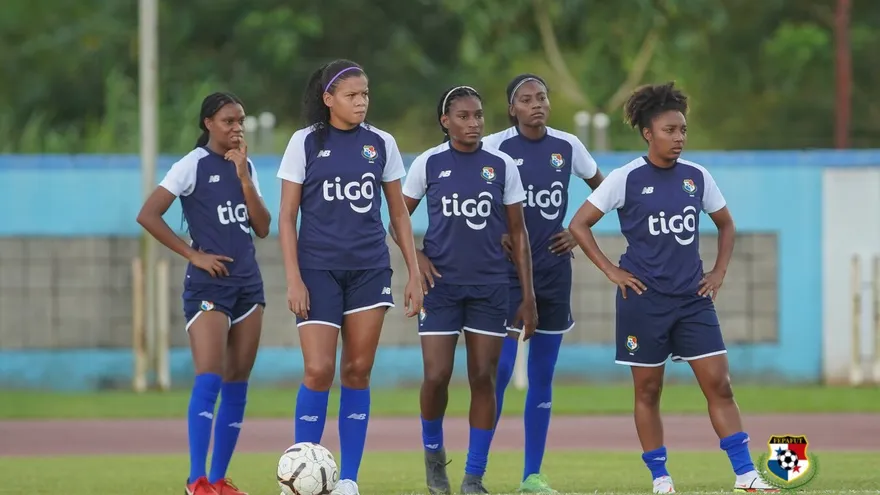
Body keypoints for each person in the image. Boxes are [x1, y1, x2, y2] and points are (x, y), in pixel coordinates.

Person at [567, 81, 777, 494]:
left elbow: (726, 224)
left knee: (719, 383)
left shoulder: (697, 177)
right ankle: (661, 478)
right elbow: (579, 224)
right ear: (648, 132)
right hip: (643, 302)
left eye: (682, 129)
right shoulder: (626, 178)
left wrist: (717, 273)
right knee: (648, 390)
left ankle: (745, 475)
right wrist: (612, 270)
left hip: (692, 301)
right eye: (669, 130)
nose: (679, 137)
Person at [276, 59, 423, 495]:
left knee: (357, 370)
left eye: (365, 95)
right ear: (329, 100)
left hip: (369, 269)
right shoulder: (303, 143)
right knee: (319, 370)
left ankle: (349, 480)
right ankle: (304, 471)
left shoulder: (381, 143)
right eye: (351, 95)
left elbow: (398, 212)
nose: (361, 102)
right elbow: (286, 217)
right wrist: (293, 279)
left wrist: (414, 272)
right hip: (317, 270)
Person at [396, 85, 538, 495]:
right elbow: (398, 219)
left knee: (483, 377)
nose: (473, 123)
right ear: (445, 122)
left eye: (478, 115)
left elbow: (518, 231)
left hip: (491, 286)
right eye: (463, 116)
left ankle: (474, 475)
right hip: (441, 287)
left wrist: (527, 297)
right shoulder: (429, 163)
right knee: (437, 375)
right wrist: (416, 260)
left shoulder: (502, 165)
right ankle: (434, 457)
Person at [136, 92, 271, 495]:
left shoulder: (246, 168)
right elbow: (148, 214)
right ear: (208, 123)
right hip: (209, 288)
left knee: (237, 383)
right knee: (209, 377)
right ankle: (196, 480)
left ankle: (218, 480)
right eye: (228, 121)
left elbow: (262, 227)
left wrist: (245, 177)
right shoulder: (191, 166)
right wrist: (192, 254)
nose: (236, 128)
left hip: (249, 286)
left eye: (241, 121)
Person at [482, 73, 605, 494]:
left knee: (542, 374)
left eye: (542, 97)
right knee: (496, 372)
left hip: (553, 272)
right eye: (527, 99)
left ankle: (531, 476)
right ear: (512, 109)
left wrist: (577, 229)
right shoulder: (495, 146)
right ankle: (474, 472)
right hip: (505, 275)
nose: (537, 104)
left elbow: (602, 191)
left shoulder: (568, 146)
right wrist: (492, 232)